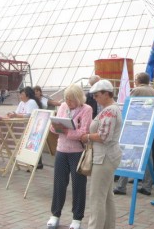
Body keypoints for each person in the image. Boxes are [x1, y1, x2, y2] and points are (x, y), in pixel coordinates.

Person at [46, 85, 92, 229]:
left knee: (78, 185)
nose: (68, 102)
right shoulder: (63, 106)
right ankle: (55, 215)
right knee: (59, 183)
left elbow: (83, 132)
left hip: (77, 152)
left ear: (79, 99)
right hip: (61, 150)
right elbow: (53, 128)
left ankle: (77, 218)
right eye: (66, 99)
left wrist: (66, 130)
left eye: (71, 100)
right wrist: (55, 126)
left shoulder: (87, 109)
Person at [80, 79, 122, 229]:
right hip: (108, 157)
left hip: (103, 158)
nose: (95, 98)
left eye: (97, 95)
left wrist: (87, 137)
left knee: (96, 198)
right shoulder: (111, 109)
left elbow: (104, 137)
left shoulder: (109, 110)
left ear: (106, 94)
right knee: (107, 197)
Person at [114, 72, 154, 196]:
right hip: (148, 127)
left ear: (138, 80)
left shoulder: (136, 91)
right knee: (148, 157)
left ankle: (121, 186)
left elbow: (131, 108)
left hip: (135, 127)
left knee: (127, 155)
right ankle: (147, 186)